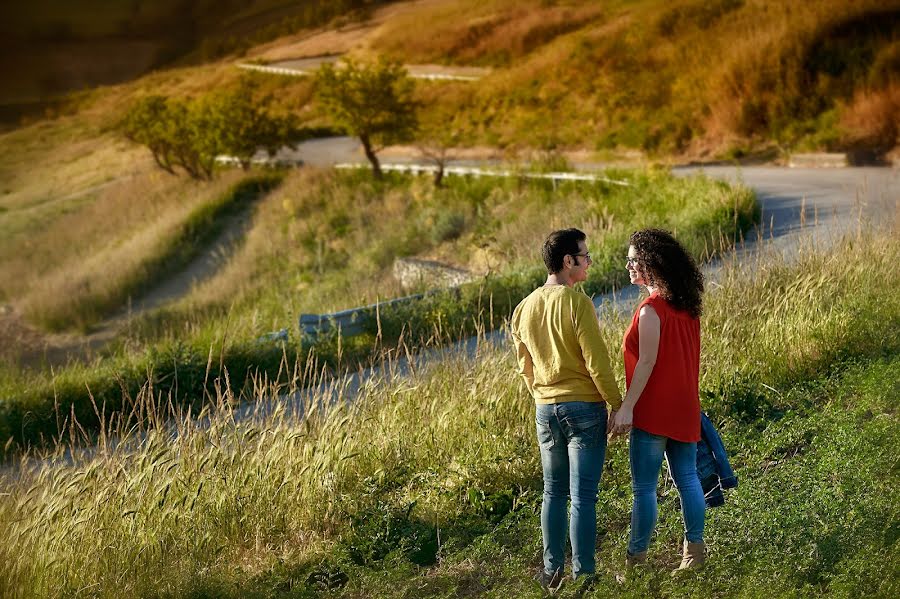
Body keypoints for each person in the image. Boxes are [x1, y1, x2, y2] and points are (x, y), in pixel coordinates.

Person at [511, 228, 623, 592]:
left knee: (553, 492)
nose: (589, 261)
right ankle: (585, 574)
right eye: (584, 256)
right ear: (567, 261)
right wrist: (618, 405)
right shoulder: (577, 303)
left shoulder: (522, 308)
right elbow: (597, 362)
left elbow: (524, 367)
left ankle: (551, 570)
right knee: (583, 495)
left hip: (544, 408)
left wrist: (541, 395)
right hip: (583, 408)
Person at [610, 228, 707, 572]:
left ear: (652, 264)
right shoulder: (688, 309)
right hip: (685, 408)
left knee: (645, 490)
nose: (628, 265)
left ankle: (635, 562)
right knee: (688, 481)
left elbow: (647, 362)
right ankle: (693, 555)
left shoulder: (651, 309)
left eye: (634, 259)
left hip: (654, 410)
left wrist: (626, 407)